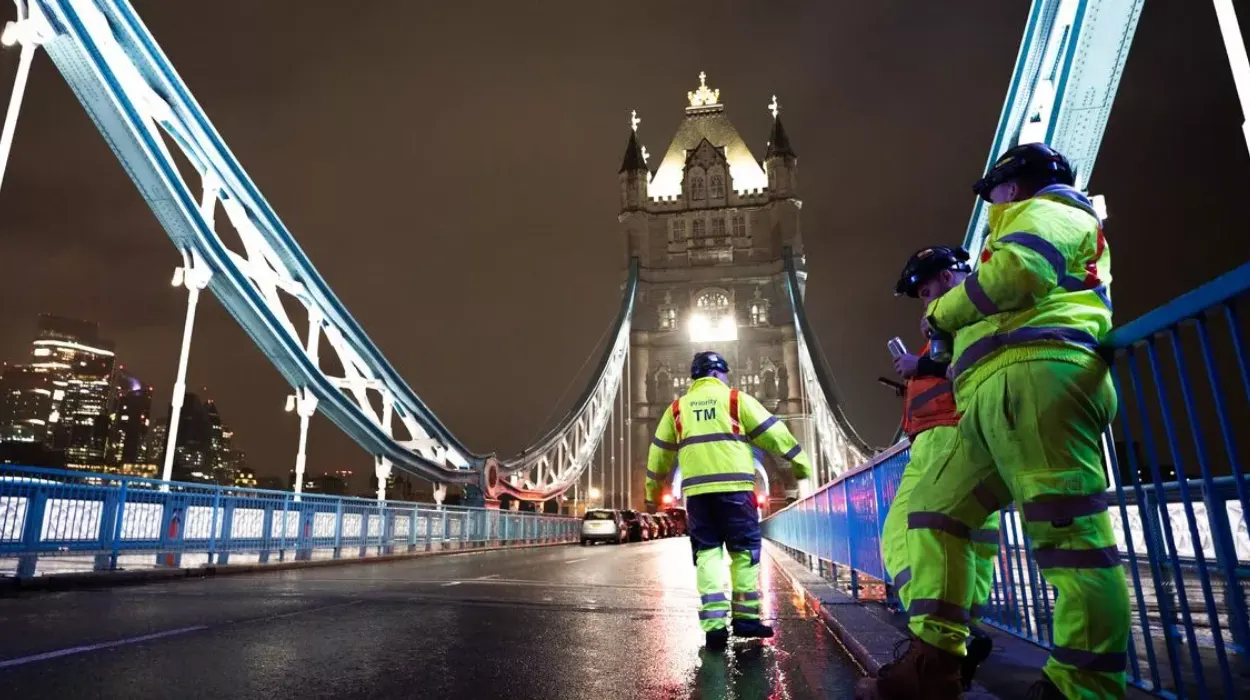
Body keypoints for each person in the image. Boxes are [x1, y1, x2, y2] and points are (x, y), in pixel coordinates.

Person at [857, 143, 1128, 700]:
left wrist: (942, 314)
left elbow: (1017, 274)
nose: (992, 203)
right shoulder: (1017, 226)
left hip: (1039, 379)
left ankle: (1083, 687)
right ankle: (935, 665)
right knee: (934, 513)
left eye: (994, 191)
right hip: (995, 396)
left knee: (1071, 545)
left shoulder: (1051, 211)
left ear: (1015, 183)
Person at [873, 246, 998, 690]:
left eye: (925, 292)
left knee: (907, 533)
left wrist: (920, 364)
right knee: (966, 540)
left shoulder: (967, 306)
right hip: (957, 433)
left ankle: (933, 646)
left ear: (946, 277)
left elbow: (973, 358)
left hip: (948, 436)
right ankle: (960, 635)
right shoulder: (971, 308)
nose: (925, 304)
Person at [645, 351, 813, 651]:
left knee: (707, 555)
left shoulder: (677, 409)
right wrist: (799, 461)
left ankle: (714, 628)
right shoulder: (736, 400)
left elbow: (659, 452)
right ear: (718, 373)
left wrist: (651, 491)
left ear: (694, 377)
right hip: (735, 491)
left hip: (698, 496)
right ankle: (746, 620)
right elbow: (773, 432)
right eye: (724, 374)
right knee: (744, 552)